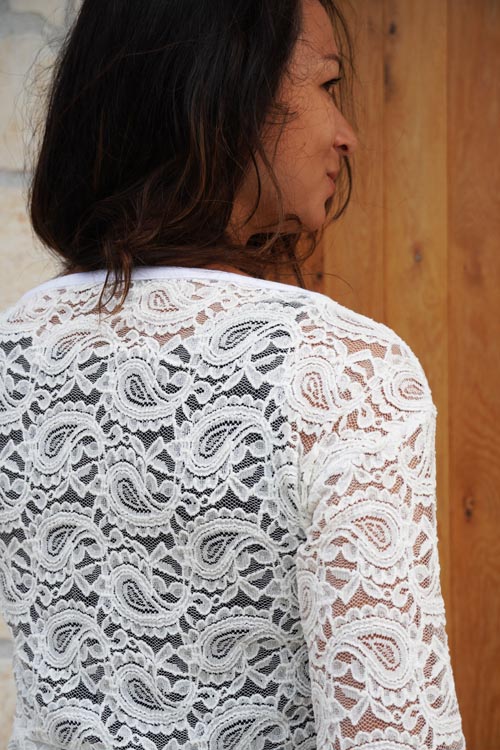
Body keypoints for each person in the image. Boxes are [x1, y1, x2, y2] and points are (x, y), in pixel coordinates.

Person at [0, 1, 466, 748]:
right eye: (328, 85)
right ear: (224, 96)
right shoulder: (343, 374)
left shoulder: (17, 346)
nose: (347, 134)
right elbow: (391, 732)